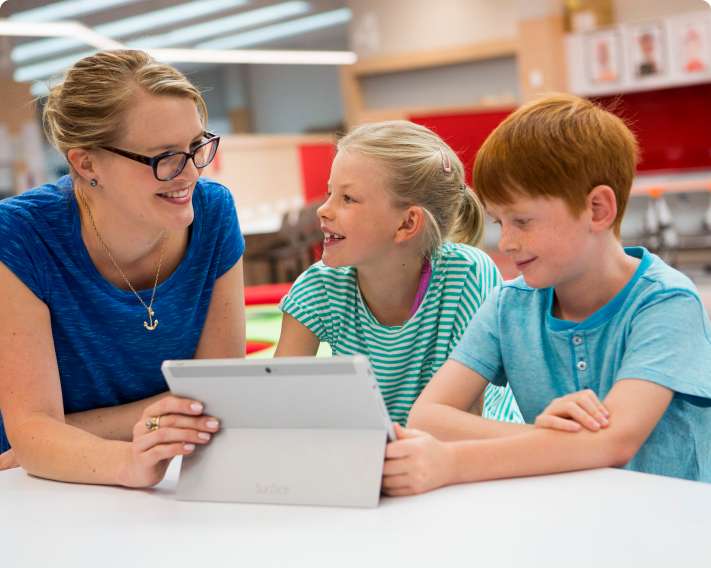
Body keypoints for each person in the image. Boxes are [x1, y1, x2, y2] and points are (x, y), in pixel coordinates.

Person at [382, 94, 711, 496]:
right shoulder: (508, 305)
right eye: (500, 222)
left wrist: (452, 461)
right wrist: (540, 435)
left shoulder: (666, 303)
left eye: (522, 220)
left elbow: (614, 442)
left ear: (597, 209)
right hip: (568, 516)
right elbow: (428, 417)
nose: (506, 242)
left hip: (673, 529)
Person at [0, 50, 246, 487]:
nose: (188, 172)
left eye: (196, 147)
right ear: (86, 163)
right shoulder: (20, 235)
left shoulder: (214, 212)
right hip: (36, 483)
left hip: (163, 464)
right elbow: (34, 433)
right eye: (163, 157)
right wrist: (133, 455)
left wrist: (69, 433)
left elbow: (221, 396)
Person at [276, 120, 521, 425]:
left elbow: (467, 420)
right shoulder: (320, 287)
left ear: (407, 224)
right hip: (386, 452)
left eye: (347, 198)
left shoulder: (468, 273)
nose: (323, 210)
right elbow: (279, 402)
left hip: (470, 449)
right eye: (329, 194)